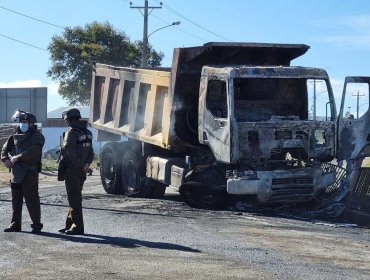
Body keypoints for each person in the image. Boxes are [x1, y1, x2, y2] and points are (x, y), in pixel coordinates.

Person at [1, 109, 45, 233]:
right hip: (16, 173)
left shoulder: (37, 136)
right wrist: (5, 159)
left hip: (29, 173)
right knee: (16, 200)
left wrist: (17, 157)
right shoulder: (15, 135)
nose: (22, 124)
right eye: (21, 121)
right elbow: (5, 149)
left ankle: (36, 225)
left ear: (31, 123)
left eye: (25, 121)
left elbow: (33, 151)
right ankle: (15, 224)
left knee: (32, 200)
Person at [58, 108, 94, 235]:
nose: (66, 122)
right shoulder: (88, 132)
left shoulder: (71, 132)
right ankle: (70, 224)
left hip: (72, 170)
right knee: (75, 198)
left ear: (70, 119)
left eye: (67, 119)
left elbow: (69, 151)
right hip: (81, 170)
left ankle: (78, 227)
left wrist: (79, 165)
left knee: (74, 199)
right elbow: (91, 152)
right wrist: (86, 165)